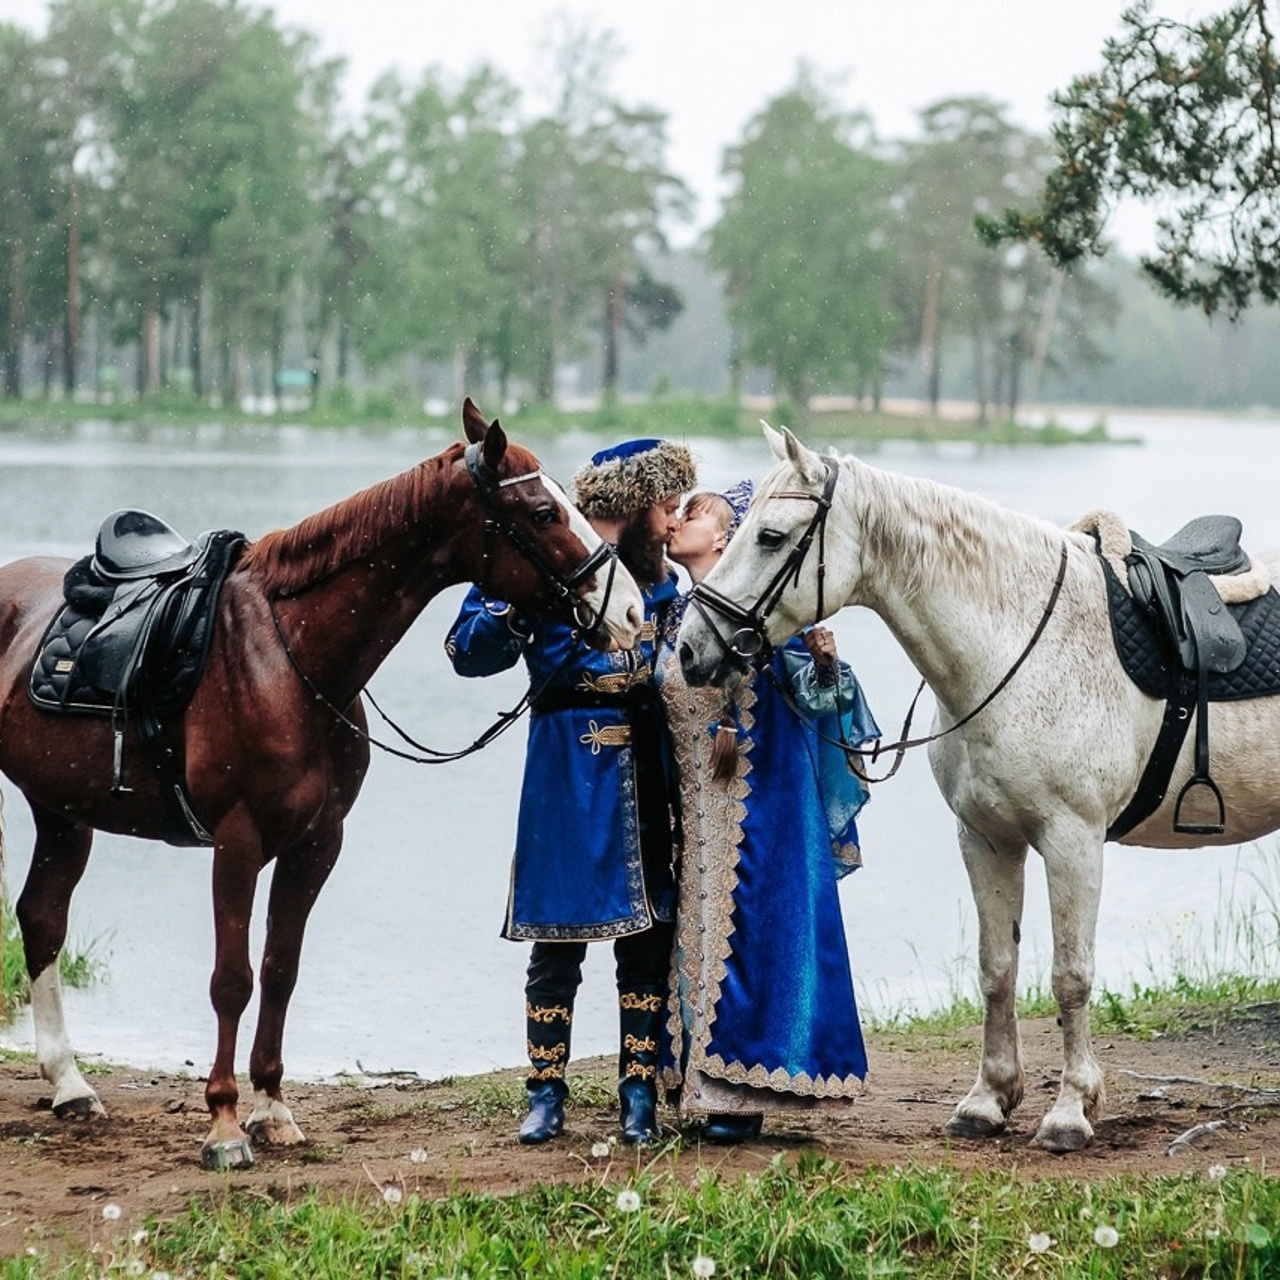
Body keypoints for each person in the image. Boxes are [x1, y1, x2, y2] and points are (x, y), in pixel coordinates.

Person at [445, 437, 696, 1146]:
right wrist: (517, 608)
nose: (671, 524)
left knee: (647, 935)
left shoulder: (664, 583)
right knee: (557, 941)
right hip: (563, 766)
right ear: (634, 505)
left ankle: (638, 1092)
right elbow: (466, 653)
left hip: (645, 765)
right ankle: (544, 1091)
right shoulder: (534, 558)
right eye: (665, 507)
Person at [657, 482, 881, 1143]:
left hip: (756, 810)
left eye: (692, 514)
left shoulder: (763, 611)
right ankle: (691, 1084)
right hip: (690, 807)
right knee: (691, 936)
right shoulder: (669, 613)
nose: (676, 521)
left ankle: (740, 1091)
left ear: (725, 537)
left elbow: (820, 698)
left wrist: (826, 665)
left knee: (751, 938)